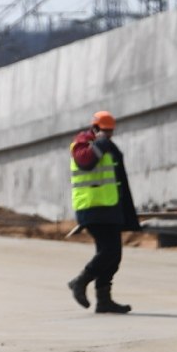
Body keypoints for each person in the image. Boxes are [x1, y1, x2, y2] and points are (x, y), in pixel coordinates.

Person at [66, 110, 141, 313]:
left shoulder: (106, 144)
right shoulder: (83, 142)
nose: (108, 134)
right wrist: (99, 142)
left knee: (113, 255)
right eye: (104, 130)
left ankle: (104, 299)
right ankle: (80, 281)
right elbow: (86, 161)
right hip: (92, 207)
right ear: (95, 127)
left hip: (110, 208)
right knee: (108, 251)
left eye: (110, 131)